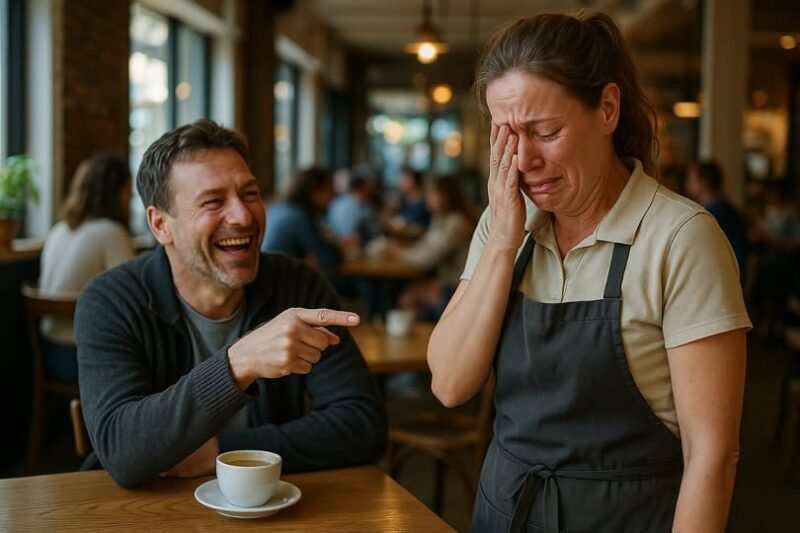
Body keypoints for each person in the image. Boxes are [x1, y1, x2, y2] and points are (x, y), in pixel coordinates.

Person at [427, 11, 750, 533]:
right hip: (506, 512)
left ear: (607, 108)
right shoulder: (506, 222)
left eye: (545, 131)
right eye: (507, 138)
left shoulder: (680, 238)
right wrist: (504, 240)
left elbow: (712, 455)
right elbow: (450, 383)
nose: (524, 160)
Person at [75, 120, 387, 488]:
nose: (242, 216)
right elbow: (124, 452)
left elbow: (363, 426)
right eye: (213, 202)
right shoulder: (111, 300)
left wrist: (224, 452)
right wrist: (241, 361)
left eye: (250, 194)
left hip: (267, 511)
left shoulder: (297, 286)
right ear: (161, 225)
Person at [38, 153, 136, 382]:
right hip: (82, 360)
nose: (131, 196)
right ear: (119, 191)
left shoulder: (59, 230)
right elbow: (136, 298)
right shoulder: (111, 232)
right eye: (128, 189)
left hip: (49, 354)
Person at [387, 175, 475, 321]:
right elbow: (427, 246)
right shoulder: (442, 217)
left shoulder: (456, 223)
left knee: (408, 297)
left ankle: (426, 340)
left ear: (445, 196)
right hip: (446, 282)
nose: (427, 197)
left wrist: (398, 252)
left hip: (457, 288)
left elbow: (427, 258)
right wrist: (402, 250)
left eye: (431, 193)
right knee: (404, 292)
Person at [262, 167, 340, 275]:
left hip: (270, 275)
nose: (332, 197)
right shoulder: (299, 216)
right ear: (314, 192)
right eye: (329, 191)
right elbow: (328, 259)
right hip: (278, 281)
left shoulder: (280, 207)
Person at [684, 160, 749, 278]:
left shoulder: (712, 214)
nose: (687, 184)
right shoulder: (727, 208)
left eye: (691, 179)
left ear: (703, 183)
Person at [327, 172, 380, 253]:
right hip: (355, 251)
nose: (371, 188)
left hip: (335, 249)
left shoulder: (336, 202)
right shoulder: (359, 206)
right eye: (368, 186)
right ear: (361, 187)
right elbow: (351, 238)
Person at [382, 166, 431, 240]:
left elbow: (421, 231)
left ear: (414, 181)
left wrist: (400, 229)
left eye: (405, 179)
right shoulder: (403, 199)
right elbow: (386, 219)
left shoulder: (425, 204)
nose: (400, 182)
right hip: (397, 238)